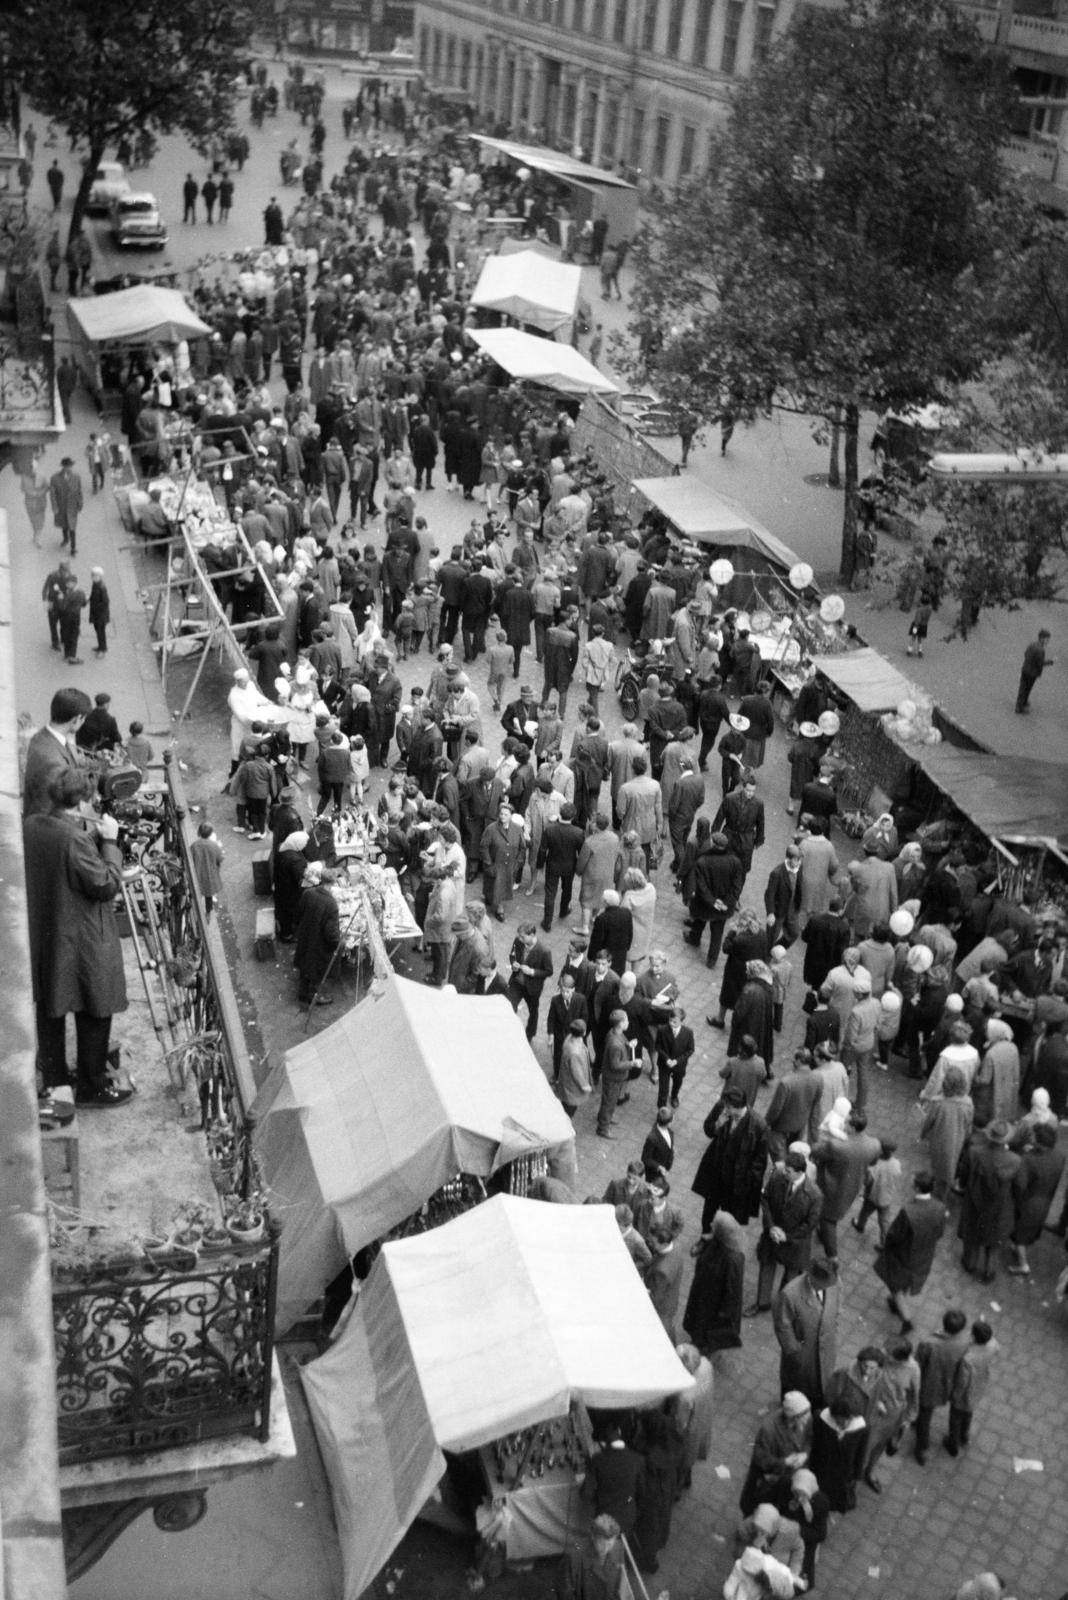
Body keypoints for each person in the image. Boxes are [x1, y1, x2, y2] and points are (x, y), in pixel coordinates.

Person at [23, 768, 133, 1107]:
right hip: (82, 938)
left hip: (47, 934)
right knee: (96, 1010)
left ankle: (56, 1082)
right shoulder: (75, 840)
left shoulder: (31, 826)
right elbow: (106, 885)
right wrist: (111, 843)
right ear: (82, 801)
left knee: (51, 1009)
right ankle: (92, 1085)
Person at [749, 1149, 823, 1314]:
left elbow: (810, 1224)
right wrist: (771, 1226)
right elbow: (765, 1199)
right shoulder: (777, 1178)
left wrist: (787, 1236)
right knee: (766, 1267)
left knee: (791, 1277)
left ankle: (782, 1306)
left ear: (799, 1172)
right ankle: (762, 1303)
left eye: (788, 1171)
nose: (784, 1173)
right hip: (773, 1233)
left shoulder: (814, 1195)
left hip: (794, 1242)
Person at [691, 1086, 769, 1229]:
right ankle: (705, 1237)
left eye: (728, 1107)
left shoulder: (758, 1126)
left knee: (730, 1218)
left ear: (738, 1107)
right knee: (709, 1210)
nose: (725, 1109)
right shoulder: (722, 1108)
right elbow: (708, 1128)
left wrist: (747, 1183)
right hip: (717, 1173)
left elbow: (760, 1161)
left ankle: (723, 1243)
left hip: (737, 1182)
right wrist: (717, 1125)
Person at [959, 1120, 1021, 1282]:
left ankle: (969, 1263)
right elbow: (1018, 1186)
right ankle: (989, 1271)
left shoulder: (974, 1151)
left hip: (975, 1200)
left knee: (972, 1234)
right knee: (993, 1239)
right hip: (999, 1205)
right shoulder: (1015, 1160)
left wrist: (964, 1187)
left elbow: (963, 1174)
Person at [772, 1257, 839, 1406]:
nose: (830, 1286)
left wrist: (833, 1327)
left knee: (821, 1387)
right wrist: (795, 1352)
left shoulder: (833, 1282)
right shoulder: (790, 1294)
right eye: (825, 1285)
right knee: (797, 1389)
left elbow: (835, 1307)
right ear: (813, 1278)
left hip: (825, 1350)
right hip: (803, 1354)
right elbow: (783, 1326)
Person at [739, 1392, 813, 1516]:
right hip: (768, 1483)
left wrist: (805, 1453)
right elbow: (761, 1460)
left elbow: (810, 1438)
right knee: (758, 1513)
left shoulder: (805, 1417)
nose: (808, 1419)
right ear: (793, 1417)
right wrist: (785, 1462)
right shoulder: (768, 1430)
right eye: (804, 1416)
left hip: (788, 1480)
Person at [684, 1210, 746, 1354]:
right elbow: (698, 1251)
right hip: (703, 1293)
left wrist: (723, 1314)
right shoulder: (716, 1241)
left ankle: (702, 1351)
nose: (711, 1225)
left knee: (705, 1331)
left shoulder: (733, 1259)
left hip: (714, 1305)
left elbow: (732, 1291)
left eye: (714, 1225)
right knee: (697, 1324)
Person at [913, 1307, 970, 1464]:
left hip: (929, 1386)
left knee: (924, 1417)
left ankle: (922, 1448)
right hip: (950, 1384)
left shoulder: (929, 1343)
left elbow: (918, 1364)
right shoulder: (964, 1343)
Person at [945, 1320, 998, 1456]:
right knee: (969, 1412)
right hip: (980, 1383)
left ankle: (953, 1443)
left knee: (955, 1417)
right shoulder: (992, 1345)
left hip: (966, 1390)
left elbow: (962, 1381)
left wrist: (955, 1395)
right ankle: (964, 1436)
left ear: (974, 1337)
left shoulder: (968, 1358)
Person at [555, 1513, 633, 1600]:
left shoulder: (618, 1548)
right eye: (601, 1544)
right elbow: (564, 1592)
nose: (605, 1549)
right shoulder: (574, 1556)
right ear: (593, 1537)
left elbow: (618, 1587)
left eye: (610, 1544)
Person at [809, 1396, 867, 1513]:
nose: (845, 1423)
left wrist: (857, 1475)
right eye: (840, 1420)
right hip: (823, 1465)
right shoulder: (820, 1419)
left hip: (844, 1469)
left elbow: (861, 1453)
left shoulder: (862, 1428)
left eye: (848, 1419)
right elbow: (814, 1441)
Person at [294, 865, 341, 1005]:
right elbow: (330, 933)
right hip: (319, 942)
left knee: (305, 963)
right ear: (333, 882)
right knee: (316, 969)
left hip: (305, 935)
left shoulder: (308, 893)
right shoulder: (331, 903)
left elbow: (300, 912)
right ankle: (314, 996)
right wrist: (337, 943)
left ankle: (302, 992)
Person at [507, 922, 553, 1040]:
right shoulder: (518, 941)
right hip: (517, 982)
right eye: (519, 936)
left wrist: (532, 971)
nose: (520, 939)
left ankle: (530, 1034)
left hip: (532, 988)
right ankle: (508, 1029)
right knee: (509, 1006)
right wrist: (513, 964)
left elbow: (549, 971)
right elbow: (512, 955)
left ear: (532, 935)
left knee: (533, 1012)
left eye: (523, 937)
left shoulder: (544, 951)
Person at [49, 457, 84, 556]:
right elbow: (52, 494)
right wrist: (54, 507)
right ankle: (65, 538)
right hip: (61, 507)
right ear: (63, 467)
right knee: (64, 525)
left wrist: (80, 502)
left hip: (72, 507)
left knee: (72, 527)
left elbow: (79, 491)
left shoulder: (76, 477)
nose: (69, 468)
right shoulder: (54, 478)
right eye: (67, 466)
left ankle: (73, 548)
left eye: (70, 466)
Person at [1015, 628, 1053, 713]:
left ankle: (1022, 702)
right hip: (1032, 673)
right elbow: (1040, 663)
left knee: (1023, 687)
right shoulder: (1041, 650)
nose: (1048, 641)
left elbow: (1025, 654)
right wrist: (1051, 661)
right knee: (1027, 689)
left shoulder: (1032, 644)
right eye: (1047, 639)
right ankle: (1020, 707)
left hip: (1025, 669)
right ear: (1042, 638)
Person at [190, 820, 224, 915]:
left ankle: (196, 910)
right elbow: (220, 858)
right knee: (208, 895)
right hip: (210, 874)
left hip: (197, 873)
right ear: (210, 833)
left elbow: (190, 858)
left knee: (197, 892)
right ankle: (208, 912)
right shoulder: (214, 846)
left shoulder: (194, 846)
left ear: (199, 832)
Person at [88, 567, 110, 654]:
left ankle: (102, 649)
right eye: (93, 575)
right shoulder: (95, 584)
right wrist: (89, 598)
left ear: (100, 576)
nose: (94, 577)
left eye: (96, 576)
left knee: (101, 632)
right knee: (98, 631)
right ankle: (100, 646)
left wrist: (96, 607)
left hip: (101, 615)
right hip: (97, 614)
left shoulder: (101, 587)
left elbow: (105, 602)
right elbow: (94, 596)